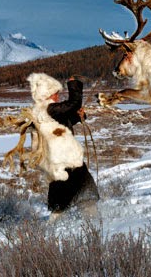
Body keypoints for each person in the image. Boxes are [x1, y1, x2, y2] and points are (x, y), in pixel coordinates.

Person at [27, 73, 99, 219]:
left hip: (60, 158)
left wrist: (80, 116)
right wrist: (73, 85)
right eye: (54, 94)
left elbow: (67, 119)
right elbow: (73, 103)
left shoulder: (46, 110)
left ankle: (86, 220)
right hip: (63, 158)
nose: (57, 97)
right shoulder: (48, 109)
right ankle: (92, 221)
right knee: (81, 190)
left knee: (67, 193)